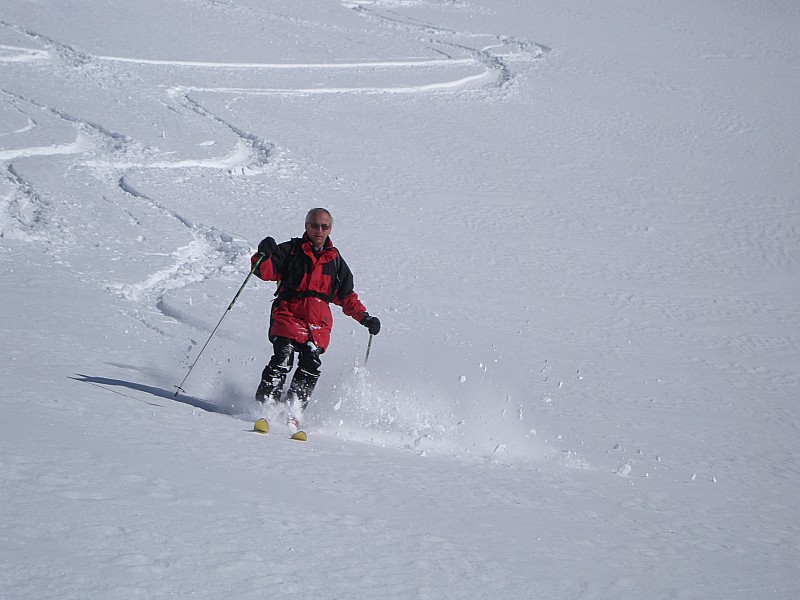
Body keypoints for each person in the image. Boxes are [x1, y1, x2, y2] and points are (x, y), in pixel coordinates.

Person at [251, 208, 381, 423]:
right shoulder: (291, 250)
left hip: (317, 325)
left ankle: (294, 411)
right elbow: (264, 271)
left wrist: (365, 318)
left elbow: (346, 296)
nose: (319, 230)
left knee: (310, 364)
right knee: (283, 356)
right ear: (306, 226)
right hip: (288, 315)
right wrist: (262, 254)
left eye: (324, 226)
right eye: (314, 225)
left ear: (330, 228)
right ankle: (266, 406)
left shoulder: (335, 261)